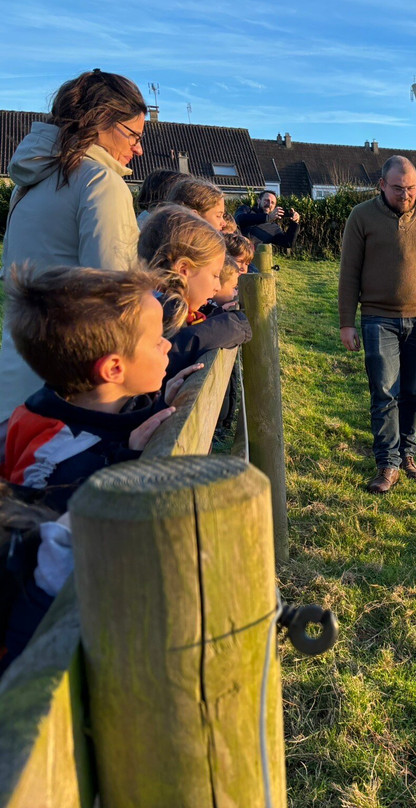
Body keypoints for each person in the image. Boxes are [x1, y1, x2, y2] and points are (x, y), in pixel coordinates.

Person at [0, 264, 200, 674]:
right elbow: (62, 520)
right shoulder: (50, 456)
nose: (167, 346)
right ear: (112, 370)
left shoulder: (77, 407)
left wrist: (162, 405)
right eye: (157, 339)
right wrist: (127, 458)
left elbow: (104, 435)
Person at [0, 69, 147, 434]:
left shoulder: (29, 184)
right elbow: (114, 298)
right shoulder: (100, 183)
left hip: (15, 379)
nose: (138, 148)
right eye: (133, 135)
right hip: (71, 395)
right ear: (99, 122)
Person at [338, 155, 416, 494]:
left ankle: (408, 455)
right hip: (378, 320)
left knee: (412, 393)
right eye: (398, 189)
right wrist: (346, 323)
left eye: (411, 188)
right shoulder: (361, 217)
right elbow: (348, 272)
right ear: (381, 185)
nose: (406, 195)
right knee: (384, 393)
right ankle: (387, 464)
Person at [137, 205, 250, 380]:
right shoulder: (158, 314)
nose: (217, 287)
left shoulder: (167, 307)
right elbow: (174, 352)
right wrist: (235, 324)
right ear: (183, 269)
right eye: (214, 275)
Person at [235, 190, 301, 252]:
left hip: (256, 259)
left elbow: (287, 243)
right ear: (258, 201)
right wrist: (267, 218)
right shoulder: (246, 210)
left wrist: (295, 223)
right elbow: (239, 219)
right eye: (266, 200)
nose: (269, 204)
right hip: (235, 253)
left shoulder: (274, 228)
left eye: (272, 203)